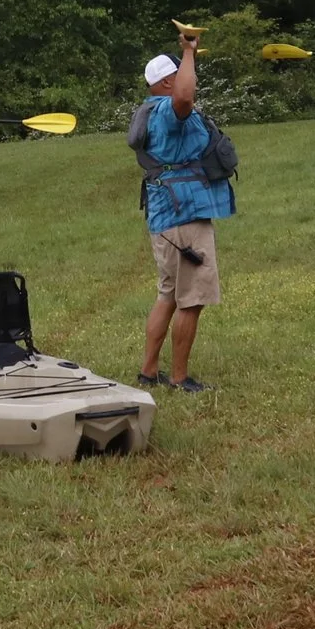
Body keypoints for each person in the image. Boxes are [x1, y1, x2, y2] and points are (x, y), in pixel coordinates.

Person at [131, 31, 233, 392]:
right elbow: (186, 96)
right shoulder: (168, 110)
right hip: (183, 215)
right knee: (191, 300)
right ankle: (179, 378)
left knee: (169, 295)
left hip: (167, 216)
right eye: (181, 73)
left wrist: (189, 56)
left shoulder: (152, 111)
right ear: (166, 82)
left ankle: (148, 372)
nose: (190, 77)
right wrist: (188, 52)